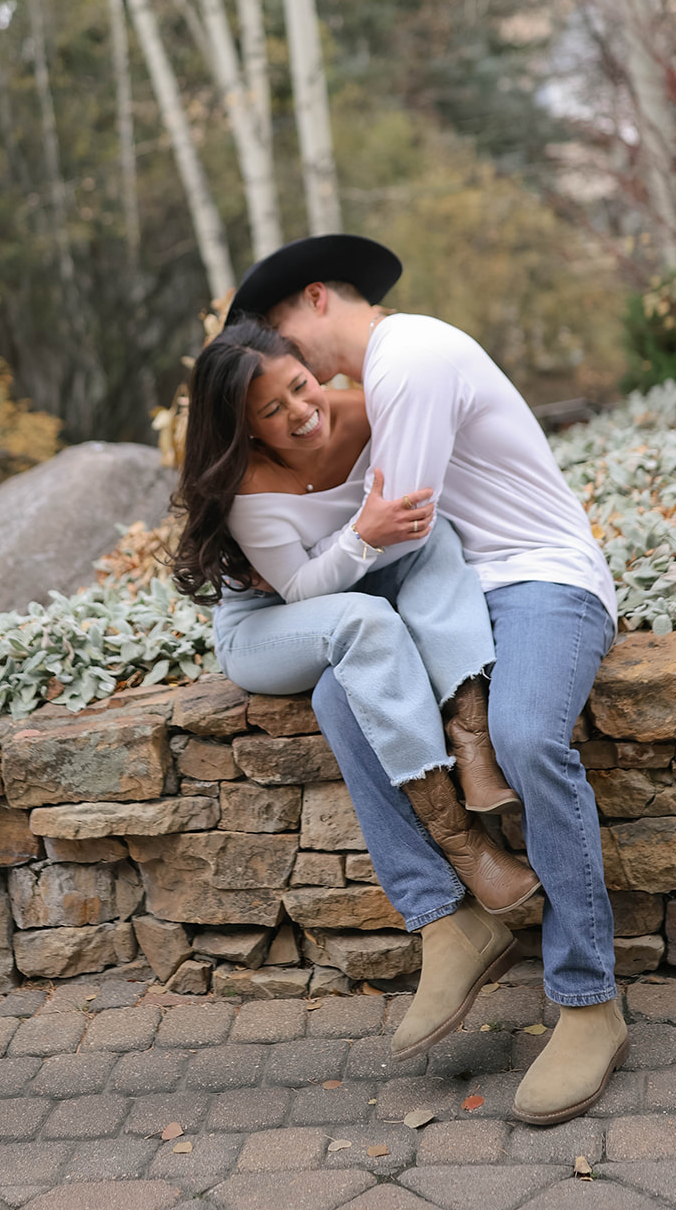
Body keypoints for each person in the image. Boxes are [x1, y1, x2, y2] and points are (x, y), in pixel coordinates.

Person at [225, 234, 625, 1128]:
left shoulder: (412, 357)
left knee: (526, 736)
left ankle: (588, 999)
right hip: (457, 596)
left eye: (281, 331)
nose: (292, 364)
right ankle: (448, 918)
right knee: (339, 691)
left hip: (539, 579)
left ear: (318, 299)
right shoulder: (382, 375)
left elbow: (397, 527)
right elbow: (375, 536)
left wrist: (312, 556)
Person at [171, 316, 541, 927]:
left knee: (433, 535)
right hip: (268, 628)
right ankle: (464, 846)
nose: (299, 412)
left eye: (298, 385)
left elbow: (418, 507)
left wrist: (375, 541)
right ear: (245, 430)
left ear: (313, 371)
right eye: (269, 411)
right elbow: (296, 588)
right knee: (365, 621)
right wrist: (363, 536)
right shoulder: (245, 486)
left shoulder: (369, 412)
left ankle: (473, 742)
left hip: (352, 585)